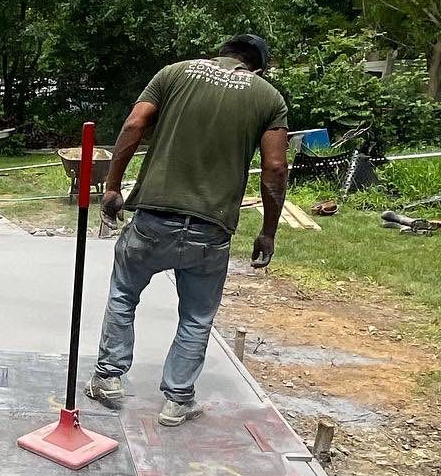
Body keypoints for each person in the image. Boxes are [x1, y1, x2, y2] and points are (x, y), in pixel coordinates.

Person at [85, 34, 289, 424]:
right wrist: (268, 231)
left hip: (152, 219)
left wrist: (112, 186)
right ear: (257, 66)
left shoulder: (174, 73)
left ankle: (109, 378)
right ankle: (178, 400)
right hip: (210, 228)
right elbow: (275, 168)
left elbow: (134, 124)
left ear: (222, 53)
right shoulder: (268, 97)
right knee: (196, 316)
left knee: (124, 294)